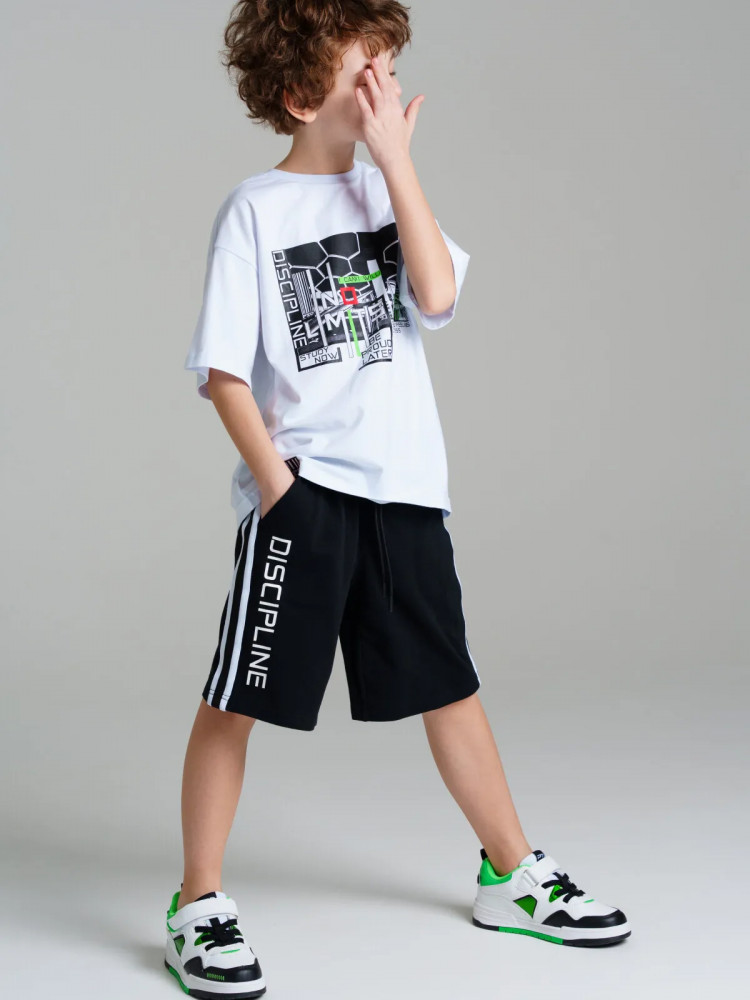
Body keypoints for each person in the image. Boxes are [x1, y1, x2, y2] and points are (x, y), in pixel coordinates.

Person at [164, 3, 631, 996]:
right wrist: (282, 493)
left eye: (388, 69)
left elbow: (437, 295)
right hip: (306, 502)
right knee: (239, 696)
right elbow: (223, 371)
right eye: (362, 74)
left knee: (448, 682)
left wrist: (397, 164)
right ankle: (198, 900)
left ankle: (511, 873)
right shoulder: (255, 211)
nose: (385, 88)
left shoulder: (387, 190)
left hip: (406, 492)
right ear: (302, 97)